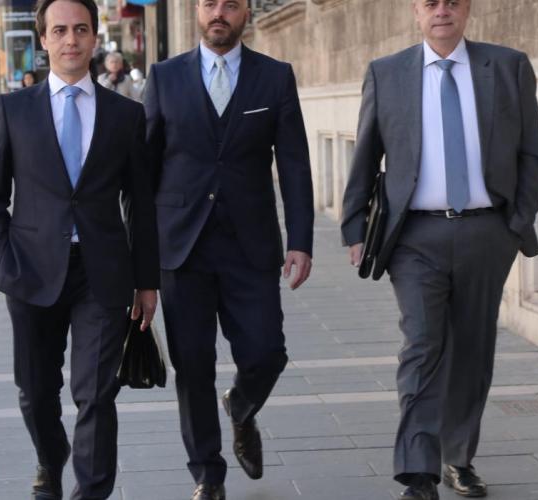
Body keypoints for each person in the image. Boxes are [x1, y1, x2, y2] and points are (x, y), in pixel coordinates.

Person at [341, 1, 538, 499]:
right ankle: (418, 471)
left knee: (472, 351)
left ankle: (458, 458)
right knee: (422, 345)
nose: (442, 11)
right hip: (415, 237)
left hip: (486, 233)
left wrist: (514, 225)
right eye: (430, 3)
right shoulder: (387, 73)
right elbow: (366, 153)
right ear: (416, 12)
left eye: (452, 1)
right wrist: (354, 228)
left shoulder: (508, 66)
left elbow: (532, 155)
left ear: (466, 9)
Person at [0, 0, 160, 498]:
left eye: (80, 29)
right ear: (43, 39)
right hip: (30, 273)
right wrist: (3, 264)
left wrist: (147, 281)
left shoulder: (126, 115)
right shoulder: (13, 110)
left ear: (95, 37)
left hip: (102, 275)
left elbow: (139, 204)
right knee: (36, 393)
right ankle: (50, 456)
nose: (70, 40)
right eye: (59, 30)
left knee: (96, 393)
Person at [143, 0, 314, 497]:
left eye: (231, 5)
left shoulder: (275, 77)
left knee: (267, 351)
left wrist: (301, 240)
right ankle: (207, 475)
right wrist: (139, 257)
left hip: (250, 245)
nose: (219, 12)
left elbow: (295, 165)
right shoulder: (164, 77)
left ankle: (240, 404)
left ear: (246, 13)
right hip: (182, 247)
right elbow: (145, 168)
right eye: (210, 3)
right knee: (192, 365)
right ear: (198, 10)